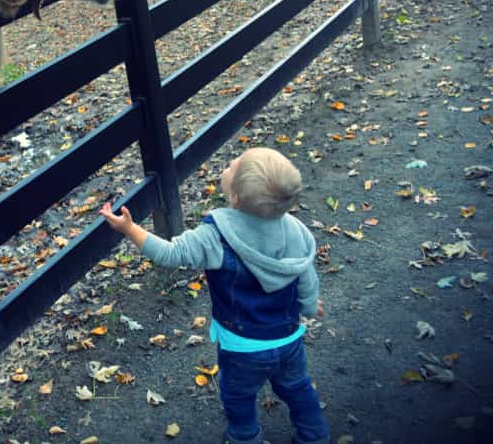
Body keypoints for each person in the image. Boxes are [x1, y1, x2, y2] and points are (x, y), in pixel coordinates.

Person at [99, 147, 329, 444]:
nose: (231, 162)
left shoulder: (215, 236)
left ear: (234, 197)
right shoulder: (295, 230)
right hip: (288, 339)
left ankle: (245, 438)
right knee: (297, 388)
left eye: (234, 166)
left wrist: (130, 229)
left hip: (242, 347)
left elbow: (171, 253)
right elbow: (305, 274)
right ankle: (315, 436)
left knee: (238, 397)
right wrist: (309, 307)